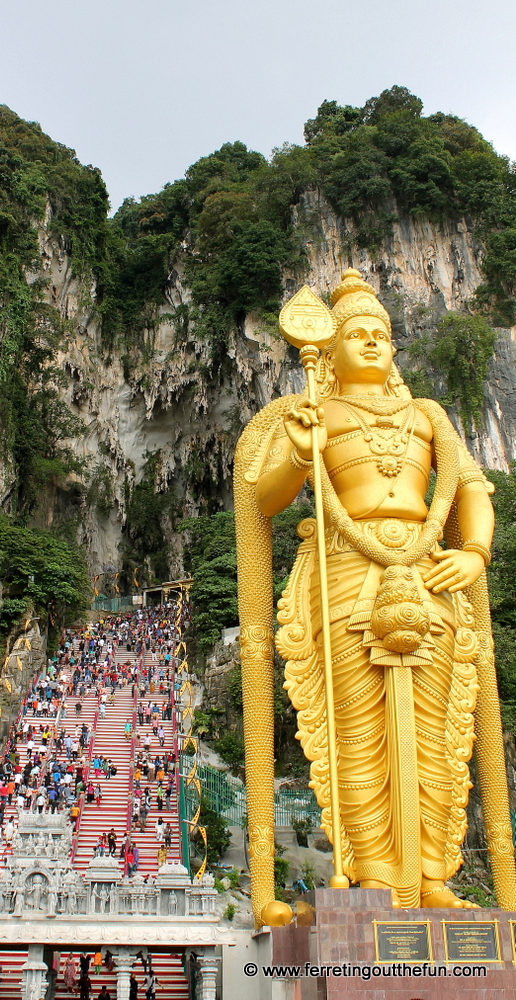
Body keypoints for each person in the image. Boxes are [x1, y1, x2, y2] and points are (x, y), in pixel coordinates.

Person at [240, 268, 501, 911]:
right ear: (329, 350)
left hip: (429, 570)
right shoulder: (313, 412)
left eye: (382, 333)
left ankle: (433, 877)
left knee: (439, 731)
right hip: (345, 572)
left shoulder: (429, 415)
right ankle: (376, 877)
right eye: (357, 333)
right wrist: (300, 455)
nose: (372, 342)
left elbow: (470, 490)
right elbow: (262, 498)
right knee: (356, 731)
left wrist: (474, 552)